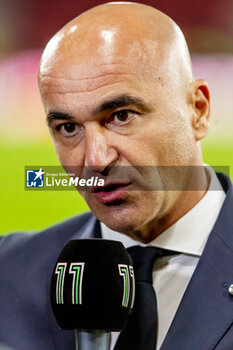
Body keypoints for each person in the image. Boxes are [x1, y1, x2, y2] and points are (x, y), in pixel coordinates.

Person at [0, 2, 232, 350]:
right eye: (68, 127)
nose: (94, 159)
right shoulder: (8, 272)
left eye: (121, 115)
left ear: (197, 111)